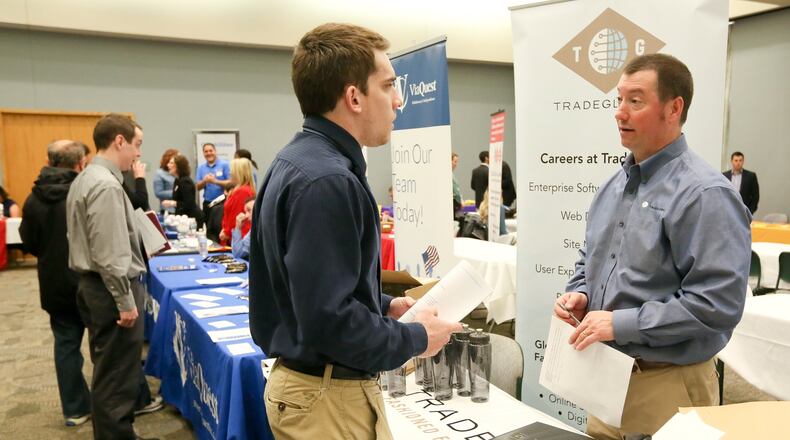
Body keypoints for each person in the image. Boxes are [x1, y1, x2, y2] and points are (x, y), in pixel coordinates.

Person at [249, 23, 461, 440]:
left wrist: (383, 305)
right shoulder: (328, 181)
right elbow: (329, 321)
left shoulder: (298, 160)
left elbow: (311, 289)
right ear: (354, 97)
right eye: (388, 87)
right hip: (327, 398)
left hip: (314, 390)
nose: (398, 100)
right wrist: (417, 337)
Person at [554, 54, 751, 439]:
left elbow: (718, 304)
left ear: (674, 108)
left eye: (636, 101)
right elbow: (589, 258)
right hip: (605, 379)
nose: (619, 112)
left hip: (667, 385)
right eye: (618, 99)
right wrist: (580, 292)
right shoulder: (613, 187)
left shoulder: (705, 195)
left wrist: (620, 322)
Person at [66, 113, 155, 440]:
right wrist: (125, 301)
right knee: (117, 380)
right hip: (110, 292)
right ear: (119, 140)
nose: (138, 154)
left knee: (109, 375)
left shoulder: (87, 178)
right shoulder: (104, 185)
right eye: (136, 145)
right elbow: (109, 253)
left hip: (95, 287)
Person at [20, 140, 91, 427]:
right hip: (88, 281)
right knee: (107, 346)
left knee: (65, 345)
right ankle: (117, 403)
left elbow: (29, 242)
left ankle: (74, 409)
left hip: (54, 282)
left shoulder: (33, 198)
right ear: (80, 164)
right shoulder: (84, 192)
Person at [219, 158, 255, 245]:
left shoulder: (242, 191)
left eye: (232, 170)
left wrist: (227, 232)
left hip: (238, 237)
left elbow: (236, 215)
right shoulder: (242, 189)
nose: (230, 173)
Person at [164, 154, 204, 227]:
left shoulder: (185, 181)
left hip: (192, 219)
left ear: (179, 166)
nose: (168, 165)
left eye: (171, 163)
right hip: (184, 218)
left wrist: (172, 203)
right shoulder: (177, 180)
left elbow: (189, 204)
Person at [196, 142, 230, 220]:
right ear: (203, 153)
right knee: (209, 228)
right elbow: (197, 187)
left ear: (215, 151)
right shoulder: (201, 168)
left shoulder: (225, 165)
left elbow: (230, 183)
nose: (208, 153)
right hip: (208, 203)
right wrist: (205, 181)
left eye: (210, 151)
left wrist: (215, 181)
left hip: (223, 202)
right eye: (206, 151)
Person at [122, 122, 150, 211]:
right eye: (137, 145)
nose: (139, 154)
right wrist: (140, 179)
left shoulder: (130, 171)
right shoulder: (113, 176)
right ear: (120, 142)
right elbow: (140, 205)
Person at [153, 148, 179, 213]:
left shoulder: (178, 173)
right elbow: (158, 193)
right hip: (168, 210)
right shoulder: (159, 173)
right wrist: (176, 193)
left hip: (180, 208)